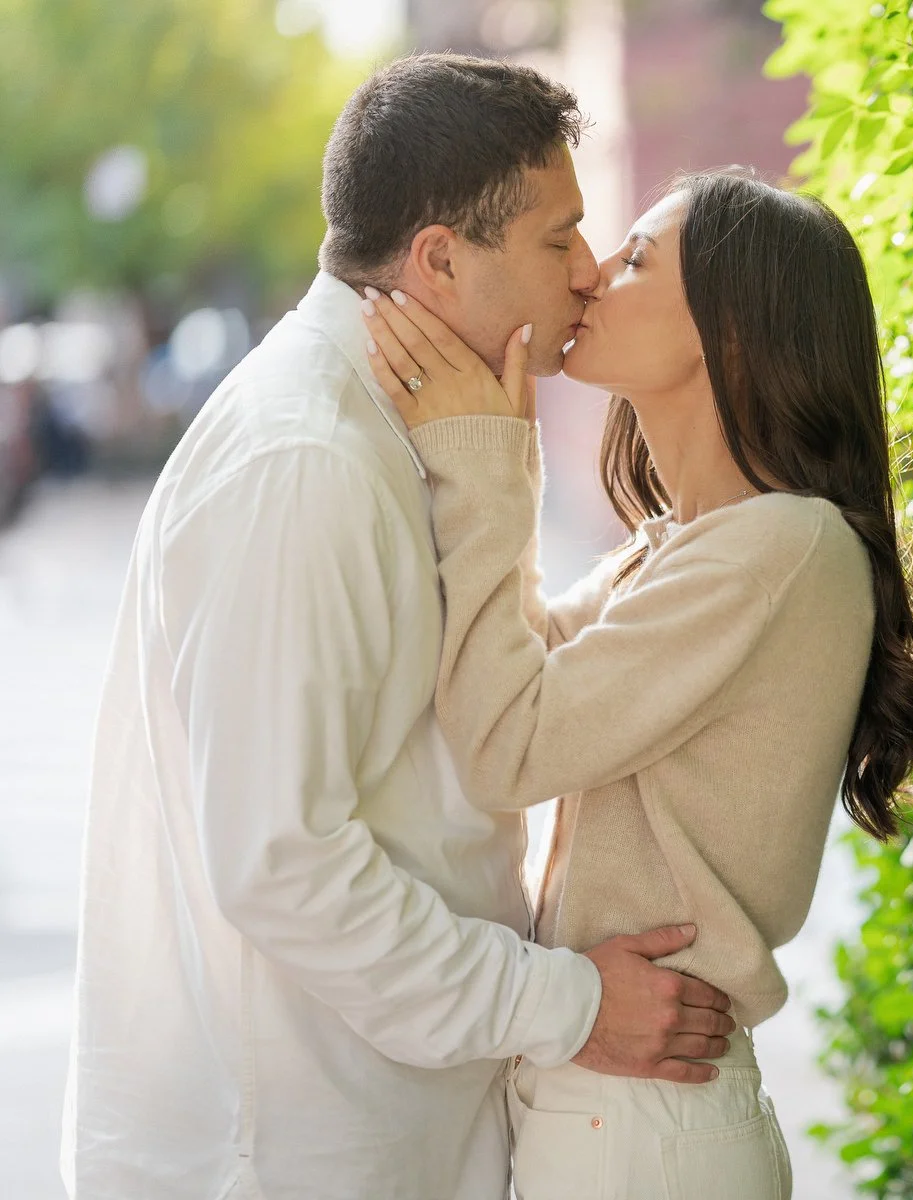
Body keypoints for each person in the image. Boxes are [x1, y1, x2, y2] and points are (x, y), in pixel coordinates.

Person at [62, 55, 734, 1200]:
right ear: (438, 259)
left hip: (398, 1134)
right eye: (557, 237)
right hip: (292, 1157)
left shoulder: (412, 424)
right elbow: (282, 863)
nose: (586, 269)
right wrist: (567, 1005)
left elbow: (484, 687)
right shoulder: (304, 462)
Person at [358, 168, 913, 1198]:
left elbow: (507, 745)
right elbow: (508, 658)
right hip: (610, 1096)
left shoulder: (782, 548)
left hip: (643, 1121)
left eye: (634, 260)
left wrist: (488, 458)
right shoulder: (683, 548)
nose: (589, 277)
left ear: (735, 329)